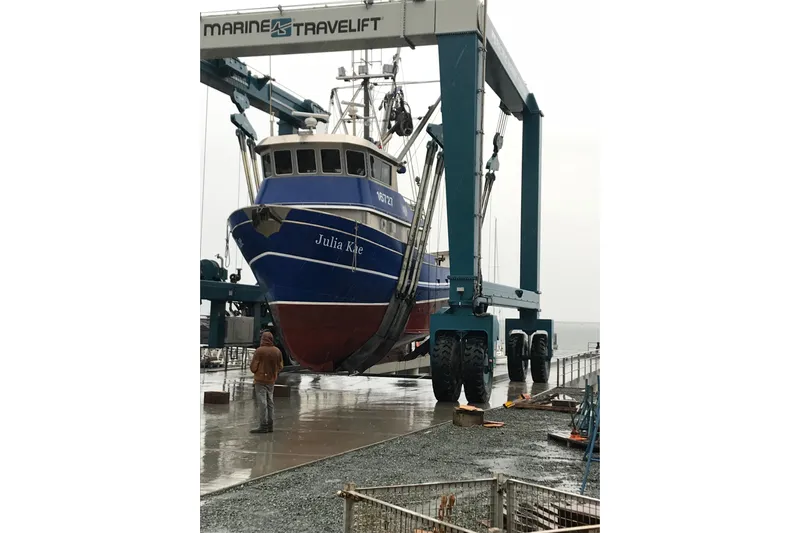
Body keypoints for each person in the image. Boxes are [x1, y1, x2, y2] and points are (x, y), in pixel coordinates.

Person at [249, 331, 284, 434]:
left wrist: (257, 371)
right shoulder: (277, 351)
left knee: (262, 403)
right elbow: (281, 366)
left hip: (260, 381)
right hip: (271, 380)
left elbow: (253, 367)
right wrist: (273, 373)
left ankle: (263, 425)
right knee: (270, 402)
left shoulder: (259, 351)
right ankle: (270, 425)